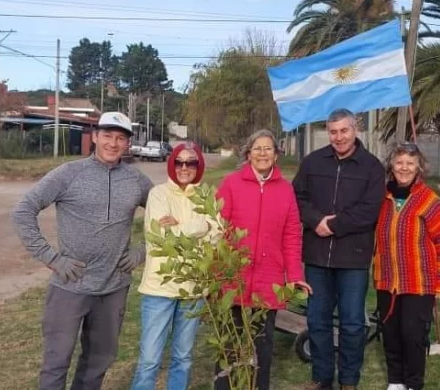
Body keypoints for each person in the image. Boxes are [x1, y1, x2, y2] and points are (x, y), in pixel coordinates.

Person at [11, 112, 154, 390]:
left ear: (127, 144)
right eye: (108, 136)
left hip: (113, 288)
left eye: (120, 138)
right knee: (56, 362)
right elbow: (23, 211)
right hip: (70, 287)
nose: (113, 143)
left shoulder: (136, 180)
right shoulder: (69, 174)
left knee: (98, 361)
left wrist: (142, 251)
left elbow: (165, 217)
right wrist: (52, 259)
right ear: (96, 137)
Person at [293, 109, 386, 390]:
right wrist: (314, 220)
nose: (339, 137)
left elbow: (370, 210)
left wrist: (334, 225)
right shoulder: (312, 162)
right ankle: (322, 377)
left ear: (355, 129)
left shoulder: (372, 167)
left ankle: (348, 380)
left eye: (344, 131)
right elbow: (297, 197)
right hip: (317, 257)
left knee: (352, 324)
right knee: (317, 320)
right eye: (333, 132)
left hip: (353, 259)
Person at [214, 129, 311, 390]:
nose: (263, 153)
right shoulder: (232, 183)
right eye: (257, 148)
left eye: (268, 148)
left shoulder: (285, 190)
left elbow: (292, 236)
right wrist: (217, 273)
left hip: (268, 282)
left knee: (262, 347)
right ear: (248, 153)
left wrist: (294, 276)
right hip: (235, 277)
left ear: (276, 155)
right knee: (230, 345)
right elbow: (217, 229)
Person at [130, 142, 219, 390]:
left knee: (183, 357)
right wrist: (202, 227)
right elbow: (161, 236)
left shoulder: (207, 196)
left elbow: (218, 236)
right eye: (179, 162)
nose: (184, 167)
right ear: (172, 164)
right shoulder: (158, 194)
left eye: (190, 162)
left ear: (198, 166)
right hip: (160, 287)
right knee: (149, 359)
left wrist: (180, 226)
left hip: (194, 289)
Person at [373, 142, 440, 390]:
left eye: (410, 163)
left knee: (413, 336)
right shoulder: (382, 198)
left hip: (419, 282)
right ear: (391, 165)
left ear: (419, 167)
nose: (404, 168)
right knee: (391, 334)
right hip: (387, 281)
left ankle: (413, 383)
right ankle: (395, 381)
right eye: (399, 163)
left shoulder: (429, 201)